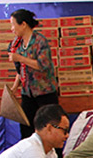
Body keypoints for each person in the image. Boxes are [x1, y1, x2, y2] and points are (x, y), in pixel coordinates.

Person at [9, 9, 58, 139]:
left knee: (50, 127)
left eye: (13, 25)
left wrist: (20, 58)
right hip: (27, 93)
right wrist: (14, 88)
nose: (12, 29)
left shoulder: (40, 41)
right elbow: (21, 70)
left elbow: (42, 65)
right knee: (26, 127)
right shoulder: (16, 44)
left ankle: (54, 157)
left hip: (44, 92)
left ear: (23, 24)